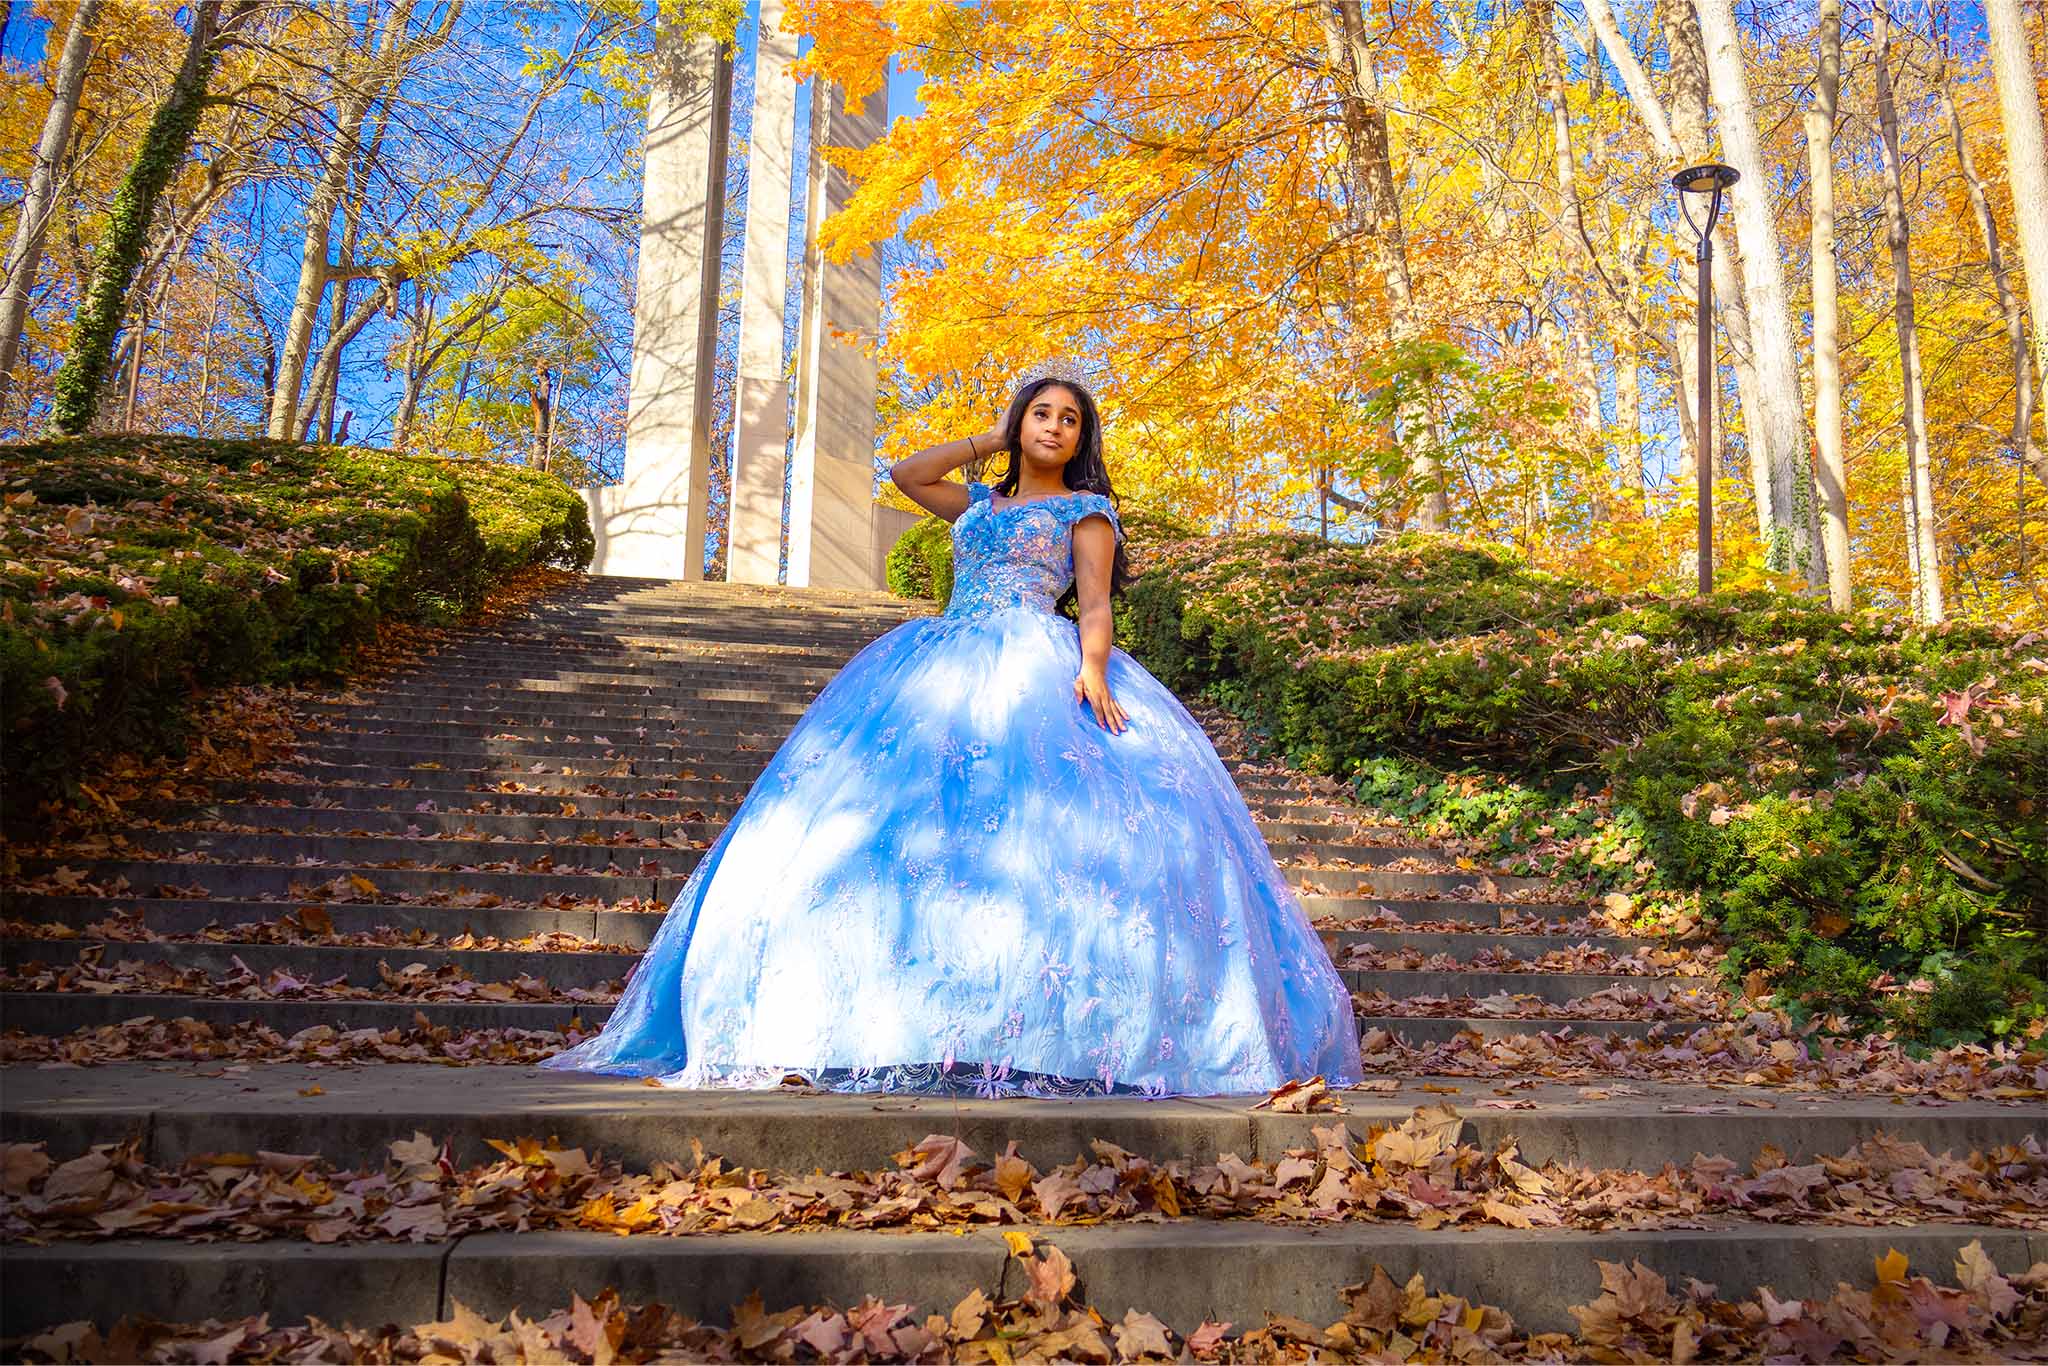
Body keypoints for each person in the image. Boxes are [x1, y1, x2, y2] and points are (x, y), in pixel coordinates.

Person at [541, 364, 1364, 1098]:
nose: (1054, 427)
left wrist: (1094, 668)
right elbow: (905, 473)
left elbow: (1097, 602)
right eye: (1040, 413)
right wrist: (989, 440)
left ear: (1083, 438)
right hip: (936, 662)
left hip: (1037, 661)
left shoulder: (1088, 511)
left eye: (1069, 419)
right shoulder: (979, 500)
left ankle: (1040, 1030)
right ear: (1021, 423)